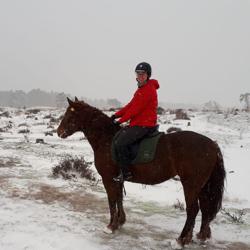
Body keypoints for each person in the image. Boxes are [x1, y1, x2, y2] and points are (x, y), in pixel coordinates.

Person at [111, 62, 160, 183]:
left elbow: (135, 109)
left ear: (148, 75)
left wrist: (120, 121)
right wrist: (116, 115)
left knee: (120, 143)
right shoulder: (141, 89)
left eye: (143, 74)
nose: (140, 76)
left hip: (145, 125)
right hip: (138, 124)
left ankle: (126, 173)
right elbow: (130, 105)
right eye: (138, 73)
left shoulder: (148, 89)